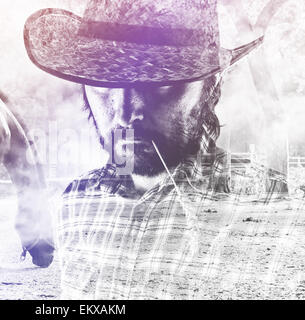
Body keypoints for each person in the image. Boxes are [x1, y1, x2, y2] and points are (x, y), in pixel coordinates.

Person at [24, 0, 293, 299]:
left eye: (161, 79)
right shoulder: (75, 203)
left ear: (213, 86)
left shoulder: (277, 209)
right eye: (102, 80)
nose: (126, 111)